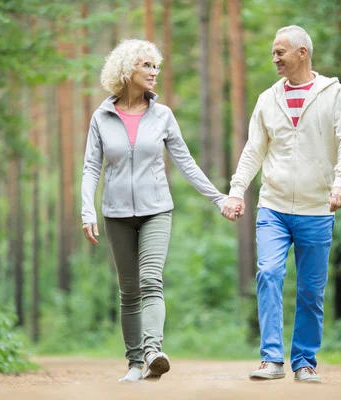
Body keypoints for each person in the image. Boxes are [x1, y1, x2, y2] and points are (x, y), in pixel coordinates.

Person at [81, 39, 234, 383]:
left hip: (156, 211)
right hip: (116, 214)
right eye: (146, 66)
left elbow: (187, 163)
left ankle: (152, 352)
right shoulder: (102, 117)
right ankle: (135, 363)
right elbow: (92, 167)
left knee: (151, 280)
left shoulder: (162, 116)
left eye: (156, 66)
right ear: (126, 70)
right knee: (129, 290)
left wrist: (218, 198)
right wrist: (86, 210)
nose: (154, 72)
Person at [221, 25, 341, 383]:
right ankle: (271, 359)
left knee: (311, 290)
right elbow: (254, 150)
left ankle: (304, 361)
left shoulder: (333, 93)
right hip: (274, 205)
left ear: (302, 52)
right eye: (272, 52)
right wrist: (237, 190)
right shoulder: (268, 99)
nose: (274, 58)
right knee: (268, 274)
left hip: (317, 208)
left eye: (280, 51)